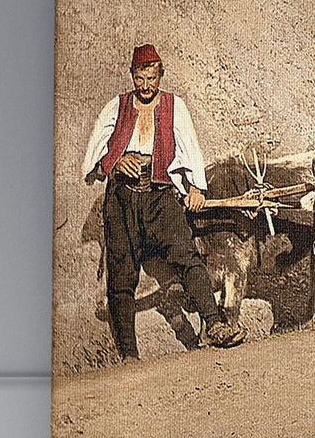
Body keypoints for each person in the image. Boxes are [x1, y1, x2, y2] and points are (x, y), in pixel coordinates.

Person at [82, 44, 244, 359]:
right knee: (121, 272)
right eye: (139, 79)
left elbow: (190, 147)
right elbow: (95, 150)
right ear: (132, 76)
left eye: (151, 78)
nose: (145, 86)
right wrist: (114, 163)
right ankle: (129, 353)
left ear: (161, 75)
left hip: (160, 196)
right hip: (121, 200)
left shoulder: (174, 106)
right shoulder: (116, 107)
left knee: (187, 256)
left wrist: (196, 188)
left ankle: (214, 325)